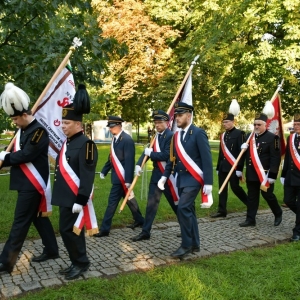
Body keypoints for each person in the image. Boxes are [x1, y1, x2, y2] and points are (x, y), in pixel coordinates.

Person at [0, 82, 59, 274]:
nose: (14, 123)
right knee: (38, 218)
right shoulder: (23, 130)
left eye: (16, 119)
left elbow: (26, 155)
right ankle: (52, 250)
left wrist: (5, 158)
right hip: (25, 183)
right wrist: (4, 154)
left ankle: (6, 262)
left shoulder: (39, 131)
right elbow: (16, 150)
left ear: (25, 115)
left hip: (33, 185)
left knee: (20, 221)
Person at [51, 84, 98, 280]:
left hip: (75, 198)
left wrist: (81, 199)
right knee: (66, 230)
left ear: (78, 124)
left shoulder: (86, 144)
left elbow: (87, 175)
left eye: (67, 123)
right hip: (64, 195)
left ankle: (81, 262)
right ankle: (75, 260)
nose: (63, 126)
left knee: (72, 231)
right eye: (62, 122)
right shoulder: (67, 142)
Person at [158, 102, 213, 258]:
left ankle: (186, 245)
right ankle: (195, 244)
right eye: (176, 116)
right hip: (181, 179)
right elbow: (172, 159)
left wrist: (208, 182)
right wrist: (164, 176)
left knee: (182, 209)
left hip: (194, 179)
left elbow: (207, 159)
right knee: (189, 211)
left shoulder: (198, 133)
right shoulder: (176, 136)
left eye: (180, 115)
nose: (177, 118)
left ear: (189, 116)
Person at [94, 116, 144, 237]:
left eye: (112, 127)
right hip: (117, 177)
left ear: (119, 126)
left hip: (121, 179)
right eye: (109, 127)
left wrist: (128, 180)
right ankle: (140, 221)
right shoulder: (115, 139)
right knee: (130, 200)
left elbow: (129, 161)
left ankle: (105, 229)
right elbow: (111, 158)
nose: (110, 129)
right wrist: (104, 170)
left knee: (112, 203)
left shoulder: (126, 140)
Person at [132, 110, 178, 242]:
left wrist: (150, 154)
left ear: (167, 123)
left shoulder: (170, 136)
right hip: (157, 174)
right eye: (155, 123)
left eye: (160, 123)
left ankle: (187, 228)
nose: (157, 125)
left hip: (167, 175)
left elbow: (165, 155)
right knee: (151, 204)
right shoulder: (156, 136)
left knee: (175, 204)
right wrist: (139, 164)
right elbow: (147, 151)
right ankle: (145, 231)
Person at [239, 102, 282, 227]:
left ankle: (278, 212)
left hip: (265, 174)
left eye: (259, 124)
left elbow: (276, 158)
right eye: (255, 124)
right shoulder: (249, 137)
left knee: (267, 195)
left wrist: (273, 175)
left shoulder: (273, 138)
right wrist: (243, 149)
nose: (256, 126)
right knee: (252, 197)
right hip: (252, 173)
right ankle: (250, 219)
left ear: (265, 125)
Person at [211, 100, 248, 218]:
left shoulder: (239, 134)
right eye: (223, 122)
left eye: (226, 122)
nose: (224, 124)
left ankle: (250, 204)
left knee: (235, 187)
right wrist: (218, 167)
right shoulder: (223, 135)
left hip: (233, 167)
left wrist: (239, 168)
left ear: (233, 122)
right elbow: (222, 153)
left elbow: (241, 153)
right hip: (223, 166)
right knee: (222, 189)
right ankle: (222, 210)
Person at [281, 114, 300, 241]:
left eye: (298, 124)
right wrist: (283, 174)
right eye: (295, 124)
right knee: (288, 200)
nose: (295, 126)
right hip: (290, 176)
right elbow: (288, 158)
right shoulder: (291, 138)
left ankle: (297, 232)